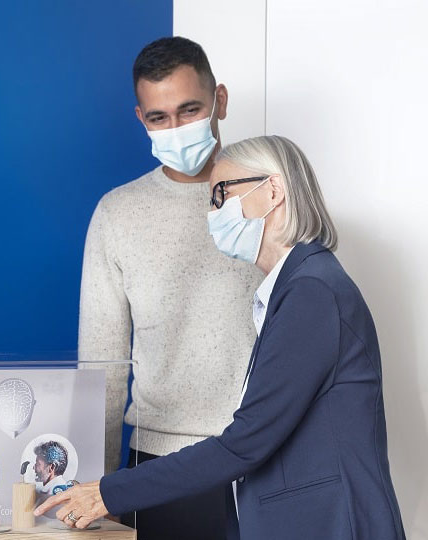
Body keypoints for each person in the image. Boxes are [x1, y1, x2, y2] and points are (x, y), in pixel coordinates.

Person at [39, 135, 406, 540]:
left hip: (333, 524)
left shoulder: (311, 293)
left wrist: (109, 492)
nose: (212, 212)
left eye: (221, 195)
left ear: (273, 191)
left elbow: (245, 443)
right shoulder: (298, 286)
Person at [79, 36, 262, 540]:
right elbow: (102, 367)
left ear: (219, 100)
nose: (176, 128)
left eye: (190, 110)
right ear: (140, 117)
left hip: (266, 455)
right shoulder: (117, 214)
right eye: (159, 117)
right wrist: (101, 489)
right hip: (160, 469)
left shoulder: (269, 195)